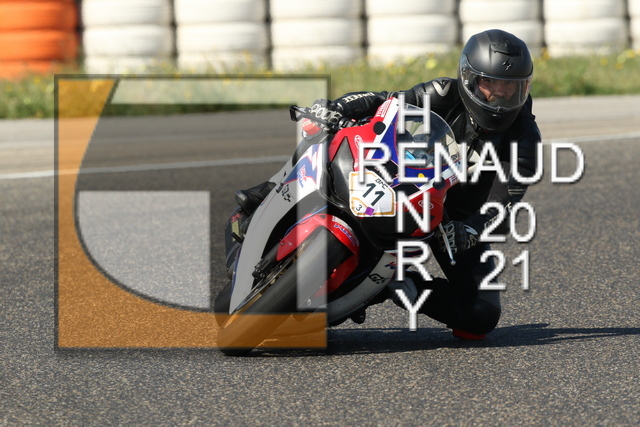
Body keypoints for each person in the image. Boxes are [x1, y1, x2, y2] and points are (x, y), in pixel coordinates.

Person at [234, 29, 541, 340]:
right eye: (491, 84)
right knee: (323, 133)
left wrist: (471, 230)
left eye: (511, 87)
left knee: (480, 315)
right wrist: (337, 108)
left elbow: (504, 202)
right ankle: (271, 189)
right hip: (404, 178)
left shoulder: (526, 138)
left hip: (452, 223)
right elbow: (385, 101)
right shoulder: (443, 92)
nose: (500, 96)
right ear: (469, 79)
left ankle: (398, 284)